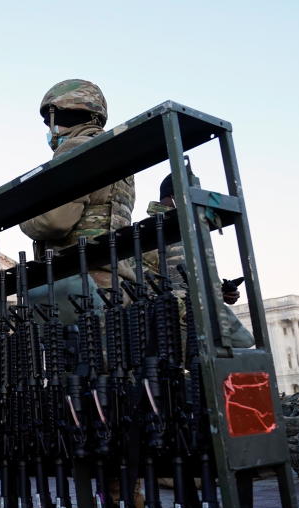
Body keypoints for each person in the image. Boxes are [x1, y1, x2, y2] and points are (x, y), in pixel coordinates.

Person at [20, 79, 136, 292]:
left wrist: (24, 215)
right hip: (117, 281)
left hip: (80, 280)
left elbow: (53, 221)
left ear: (60, 115)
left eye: (50, 122)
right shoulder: (116, 153)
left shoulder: (76, 148)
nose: (50, 130)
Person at [146, 173, 254, 349]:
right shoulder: (153, 232)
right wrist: (183, 310)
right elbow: (143, 283)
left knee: (244, 341)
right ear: (176, 197)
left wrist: (222, 292)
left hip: (200, 311)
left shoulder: (191, 231)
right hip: (173, 317)